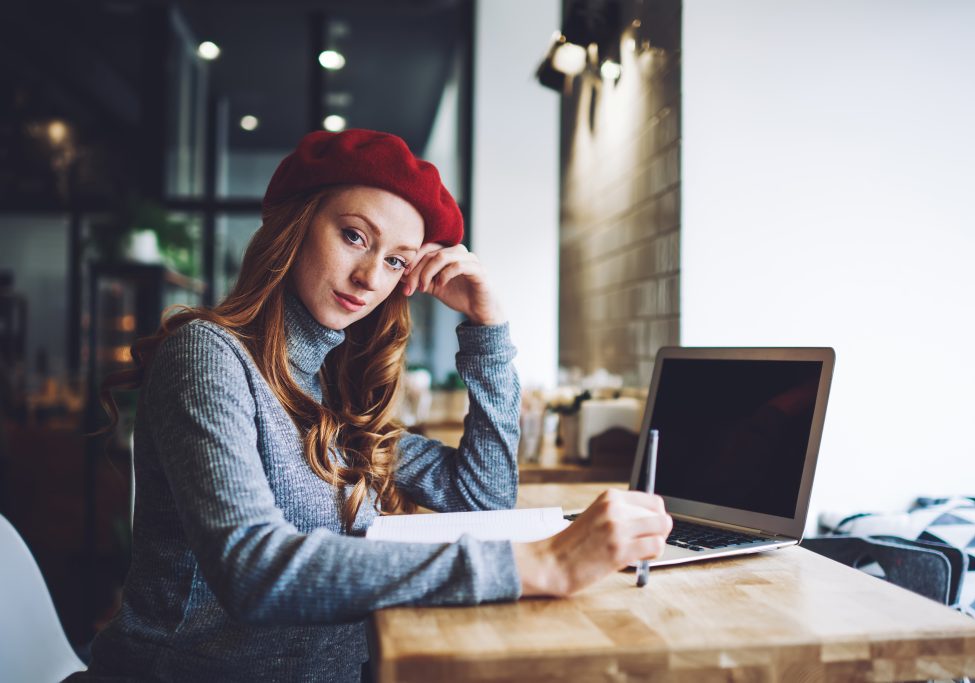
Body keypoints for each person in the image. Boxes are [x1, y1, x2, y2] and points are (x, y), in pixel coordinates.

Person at [71, 129, 672, 682]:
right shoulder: (207, 355)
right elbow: (252, 569)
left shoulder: (329, 391)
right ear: (296, 226)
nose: (368, 277)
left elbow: (482, 497)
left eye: (395, 261)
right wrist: (536, 565)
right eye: (354, 235)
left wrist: (488, 327)